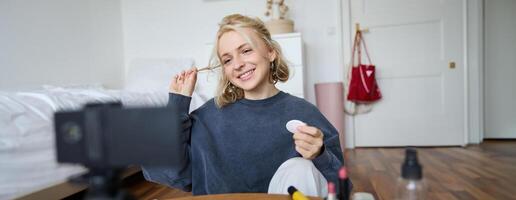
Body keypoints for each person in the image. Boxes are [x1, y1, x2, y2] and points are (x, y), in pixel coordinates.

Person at [142, 14, 349, 197]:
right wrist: (176, 108)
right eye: (227, 60)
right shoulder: (207, 117)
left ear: (270, 52)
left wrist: (320, 155)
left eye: (246, 50)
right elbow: (160, 170)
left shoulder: (304, 112)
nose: (238, 64)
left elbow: (343, 188)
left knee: (301, 168)